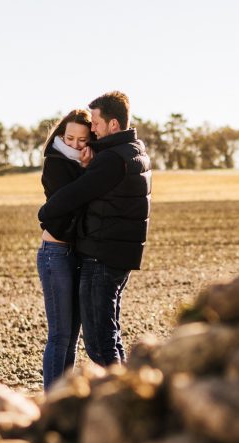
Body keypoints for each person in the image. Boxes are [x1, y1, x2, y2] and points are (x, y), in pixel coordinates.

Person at [37, 91, 151, 368]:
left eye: (96, 124)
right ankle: (126, 391)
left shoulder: (112, 159)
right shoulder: (135, 151)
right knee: (108, 336)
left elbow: (78, 193)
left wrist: (45, 213)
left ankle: (121, 400)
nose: (94, 129)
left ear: (113, 125)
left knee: (100, 344)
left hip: (101, 257)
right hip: (116, 257)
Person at [36, 108, 94, 389]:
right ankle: (51, 401)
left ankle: (61, 397)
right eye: (69, 137)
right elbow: (71, 201)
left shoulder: (85, 164)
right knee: (59, 335)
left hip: (75, 254)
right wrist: (86, 170)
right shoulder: (56, 163)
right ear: (61, 134)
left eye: (81, 140)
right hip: (55, 253)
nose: (74, 144)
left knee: (72, 336)